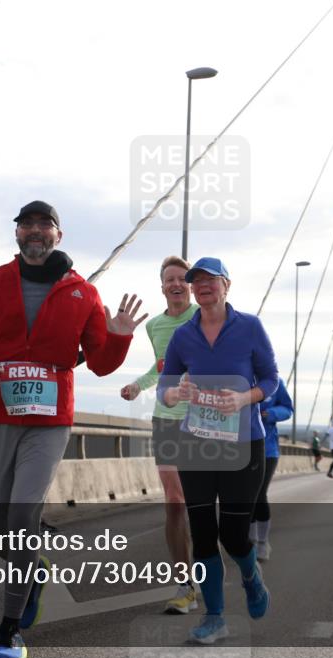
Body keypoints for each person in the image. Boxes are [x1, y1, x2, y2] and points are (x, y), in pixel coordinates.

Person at [0, 200, 144, 658]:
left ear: (59, 234)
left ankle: (9, 631)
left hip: (50, 423)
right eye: (27, 224)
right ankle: (33, 570)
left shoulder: (82, 293)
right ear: (17, 233)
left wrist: (117, 335)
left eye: (44, 225)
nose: (35, 231)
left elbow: (99, 363)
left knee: (21, 517)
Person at [157, 257, 277, 645]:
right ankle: (215, 617)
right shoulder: (183, 335)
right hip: (197, 445)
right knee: (204, 534)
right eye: (197, 281)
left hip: (244, 445)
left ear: (227, 285)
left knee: (234, 534)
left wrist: (245, 398)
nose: (203, 286)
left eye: (211, 280)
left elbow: (272, 379)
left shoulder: (250, 327)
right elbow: (166, 386)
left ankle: (250, 577)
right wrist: (177, 393)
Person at [119, 255, 198, 613]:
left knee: (204, 503)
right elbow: (161, 366)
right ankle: (185, 586)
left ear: (191, 284)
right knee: (174, 500)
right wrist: (138, 386)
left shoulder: (205, 315)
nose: (176, 284)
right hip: (166, 419)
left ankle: (218, 559)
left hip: (204, 421)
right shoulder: (155, 327)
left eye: (183, 279)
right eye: (170, 280)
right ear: (162, 286)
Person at [251, 379, 292, 562]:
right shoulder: (237, 376)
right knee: (246, 496)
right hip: (239, 448)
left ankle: (262, 542)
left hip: (267, 450)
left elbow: (287, 408)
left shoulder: (274, 382)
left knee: (259, 494)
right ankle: (249, 542)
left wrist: (271, 413)